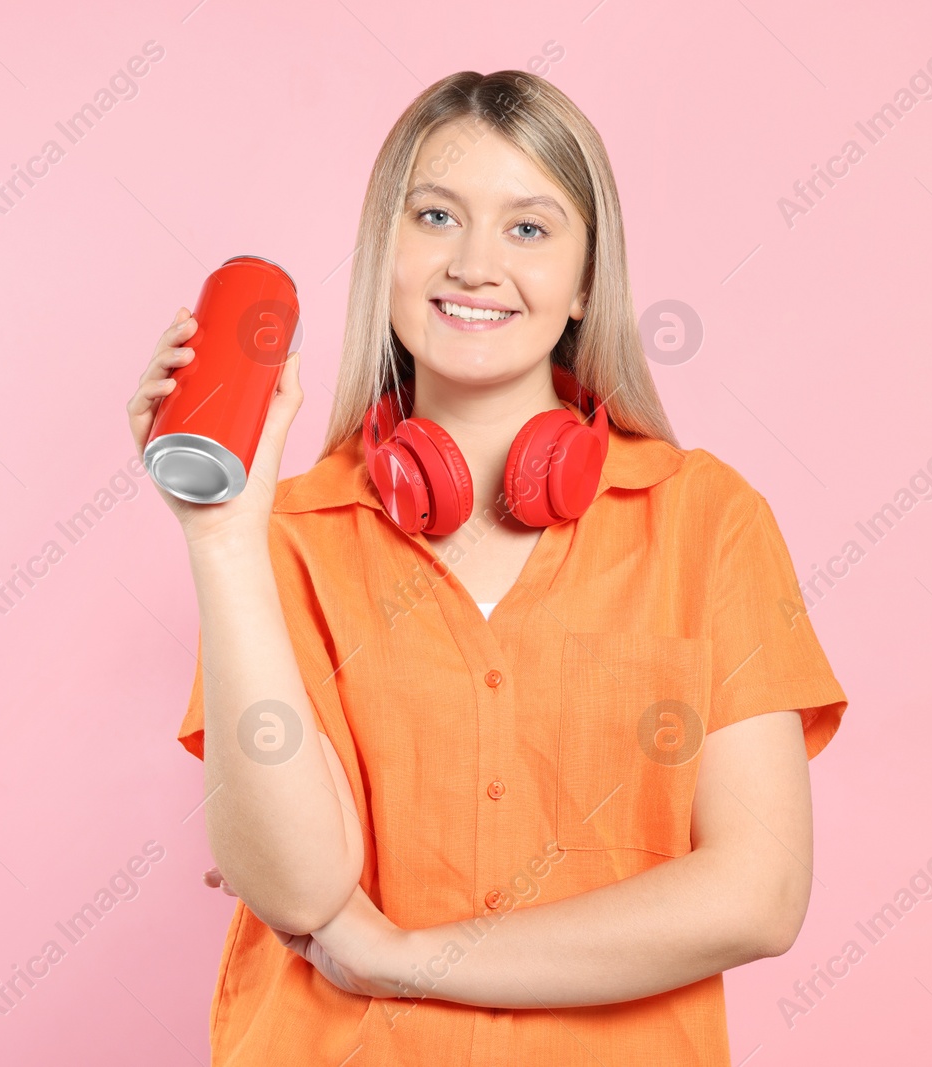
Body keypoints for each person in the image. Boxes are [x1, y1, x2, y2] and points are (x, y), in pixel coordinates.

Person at [127, 69, 848, 1067]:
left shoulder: (706, 521)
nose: (473, 263)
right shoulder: (283, 540)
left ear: (588, 279)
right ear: (386, 253)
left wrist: (404, 956)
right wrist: (220, 537)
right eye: (435, 215)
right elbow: (297, 886)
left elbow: (757, 895)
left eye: (528, 227)